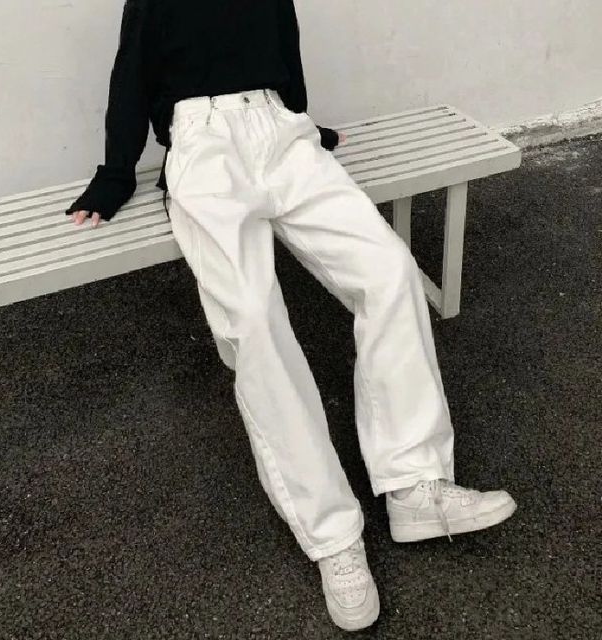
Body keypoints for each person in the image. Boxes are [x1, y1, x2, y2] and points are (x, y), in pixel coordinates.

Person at [66, 0, 517, 631]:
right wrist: (115, 174)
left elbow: (286, 56)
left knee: (389, 271)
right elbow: (130, 76)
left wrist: (303, 124)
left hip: (283, 135)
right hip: (203, 145)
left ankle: (415, 483)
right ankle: (332, 534)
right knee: (252, 321)